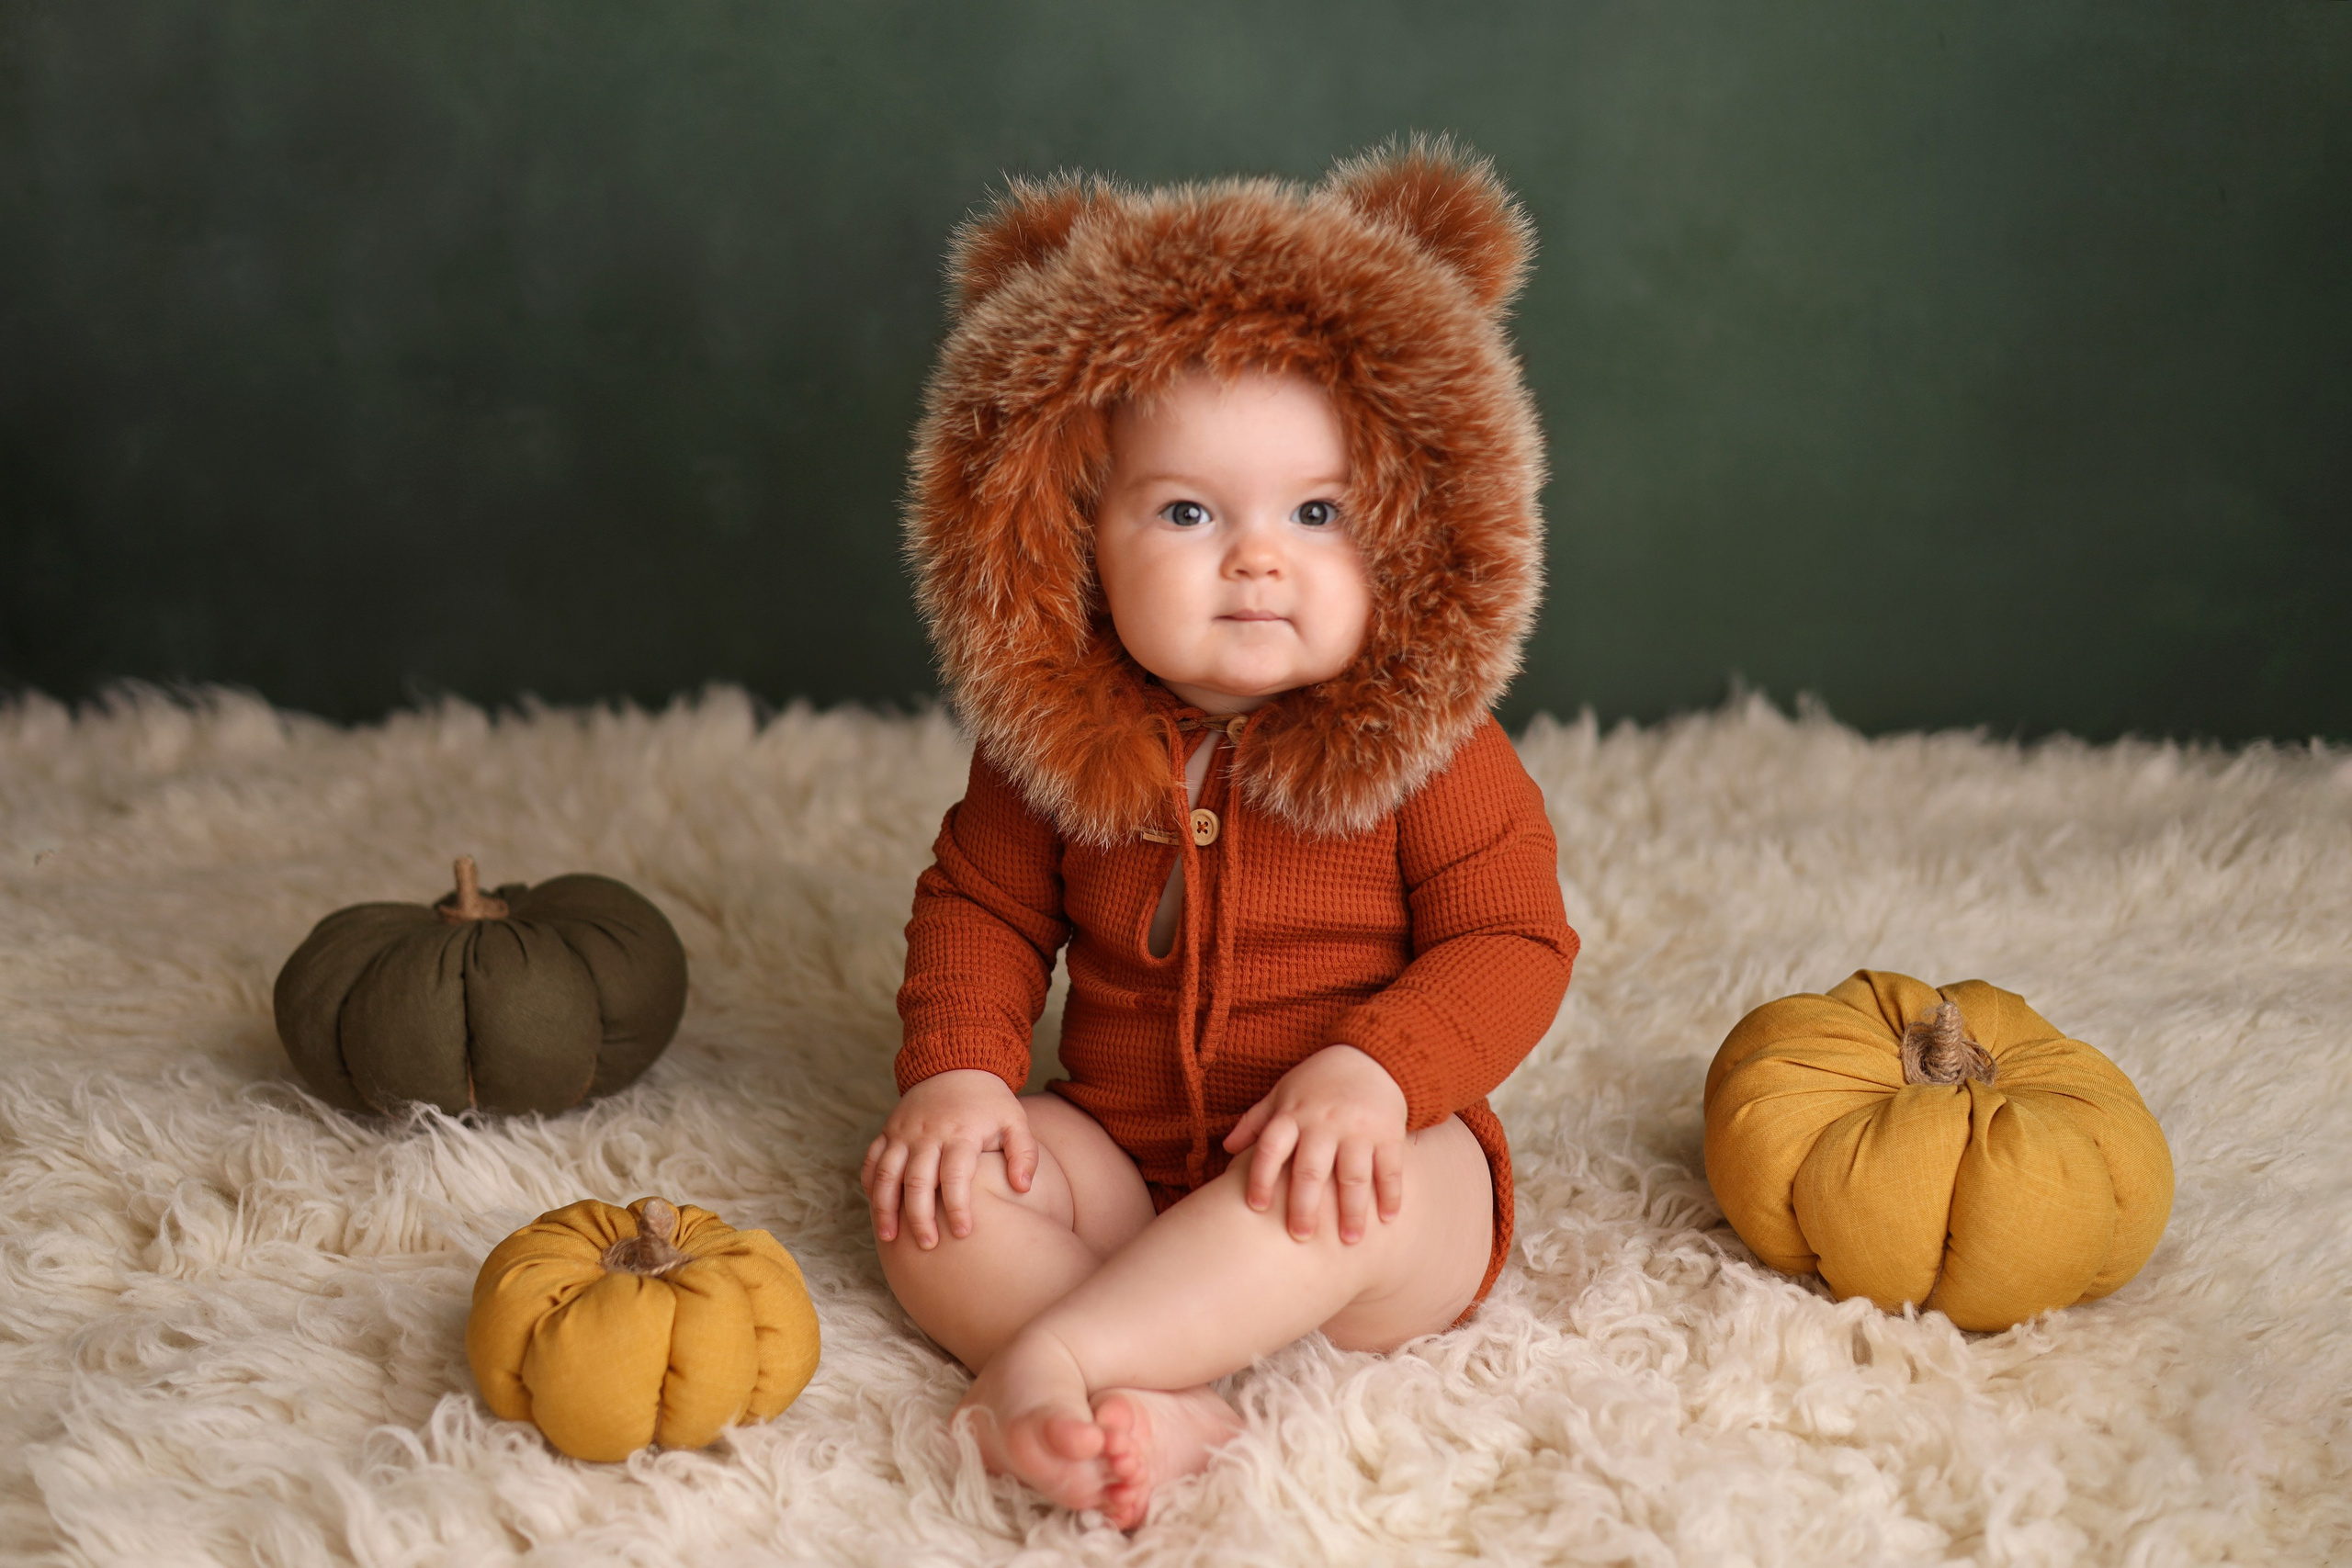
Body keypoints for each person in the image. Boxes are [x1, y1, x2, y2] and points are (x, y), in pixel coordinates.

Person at [864, 137, 1578, 1529]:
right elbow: (982, 910)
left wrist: (1378, 1074)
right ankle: (1161, 1390)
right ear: (1077, 536)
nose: (1258, 556)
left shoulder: (1430, 745)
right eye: (1188, 512)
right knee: (934, 1201)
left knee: (1337, 1196)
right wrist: (955, 1076)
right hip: (1124, 1153)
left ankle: (1060, 1358)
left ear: (1411, 535)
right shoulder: (1053, 745)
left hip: (1373, 1179)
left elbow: (1513, 937)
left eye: (1319, 513)